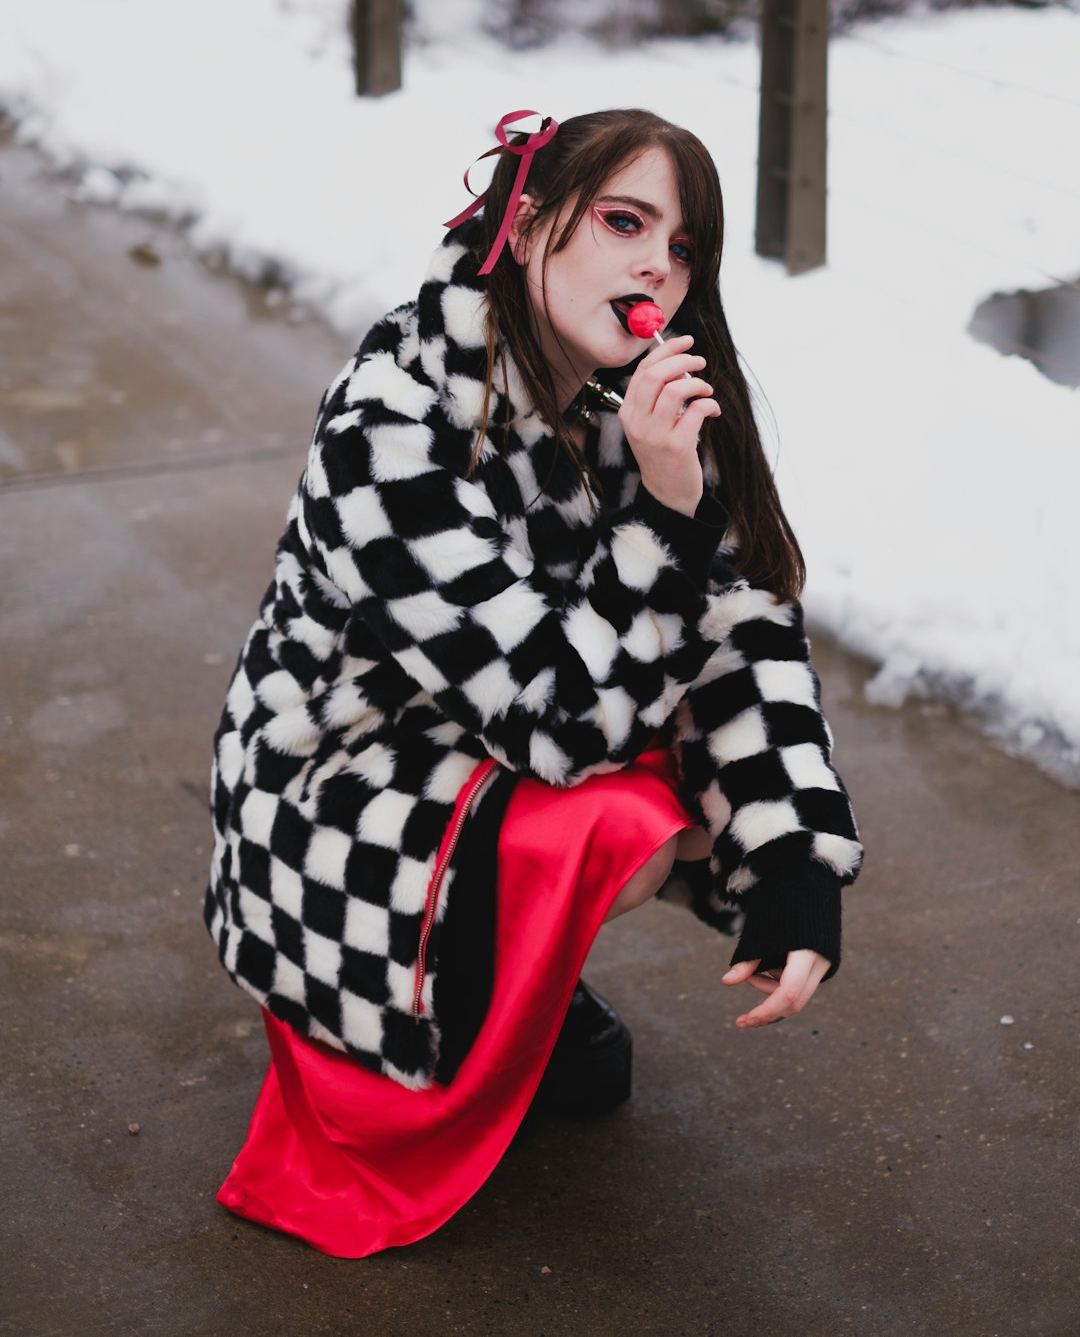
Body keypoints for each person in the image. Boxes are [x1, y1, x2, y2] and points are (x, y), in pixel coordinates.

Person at [204, 106, 863, 1258]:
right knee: (627, 812)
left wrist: (794, 860)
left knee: (688, 728)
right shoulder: (392, 425)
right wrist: (662, 515)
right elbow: (559, 727)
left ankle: (517, 982)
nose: (658, 263)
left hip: (474, 758)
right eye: (624, 221)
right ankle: (463, 997)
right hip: (340, 798)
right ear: (527, 218)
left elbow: (739, 627)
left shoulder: (617, 401)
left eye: (684, 243)